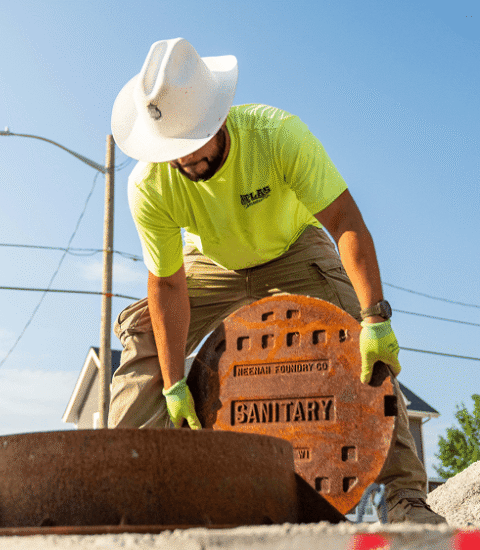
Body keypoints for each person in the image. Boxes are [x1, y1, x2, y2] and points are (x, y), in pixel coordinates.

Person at [109, 37, 445, 524]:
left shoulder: (277, 134)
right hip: (212, 262)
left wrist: (374, 317)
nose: (184, 161)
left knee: (359, 339)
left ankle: (407, 497)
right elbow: (166, 284)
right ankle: (124, 492)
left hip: (292, 246)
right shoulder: (149, 186)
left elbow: (345, 220)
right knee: (144, 334)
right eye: (172, 150)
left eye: (192, 146)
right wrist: (174, 382)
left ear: (218, 119)